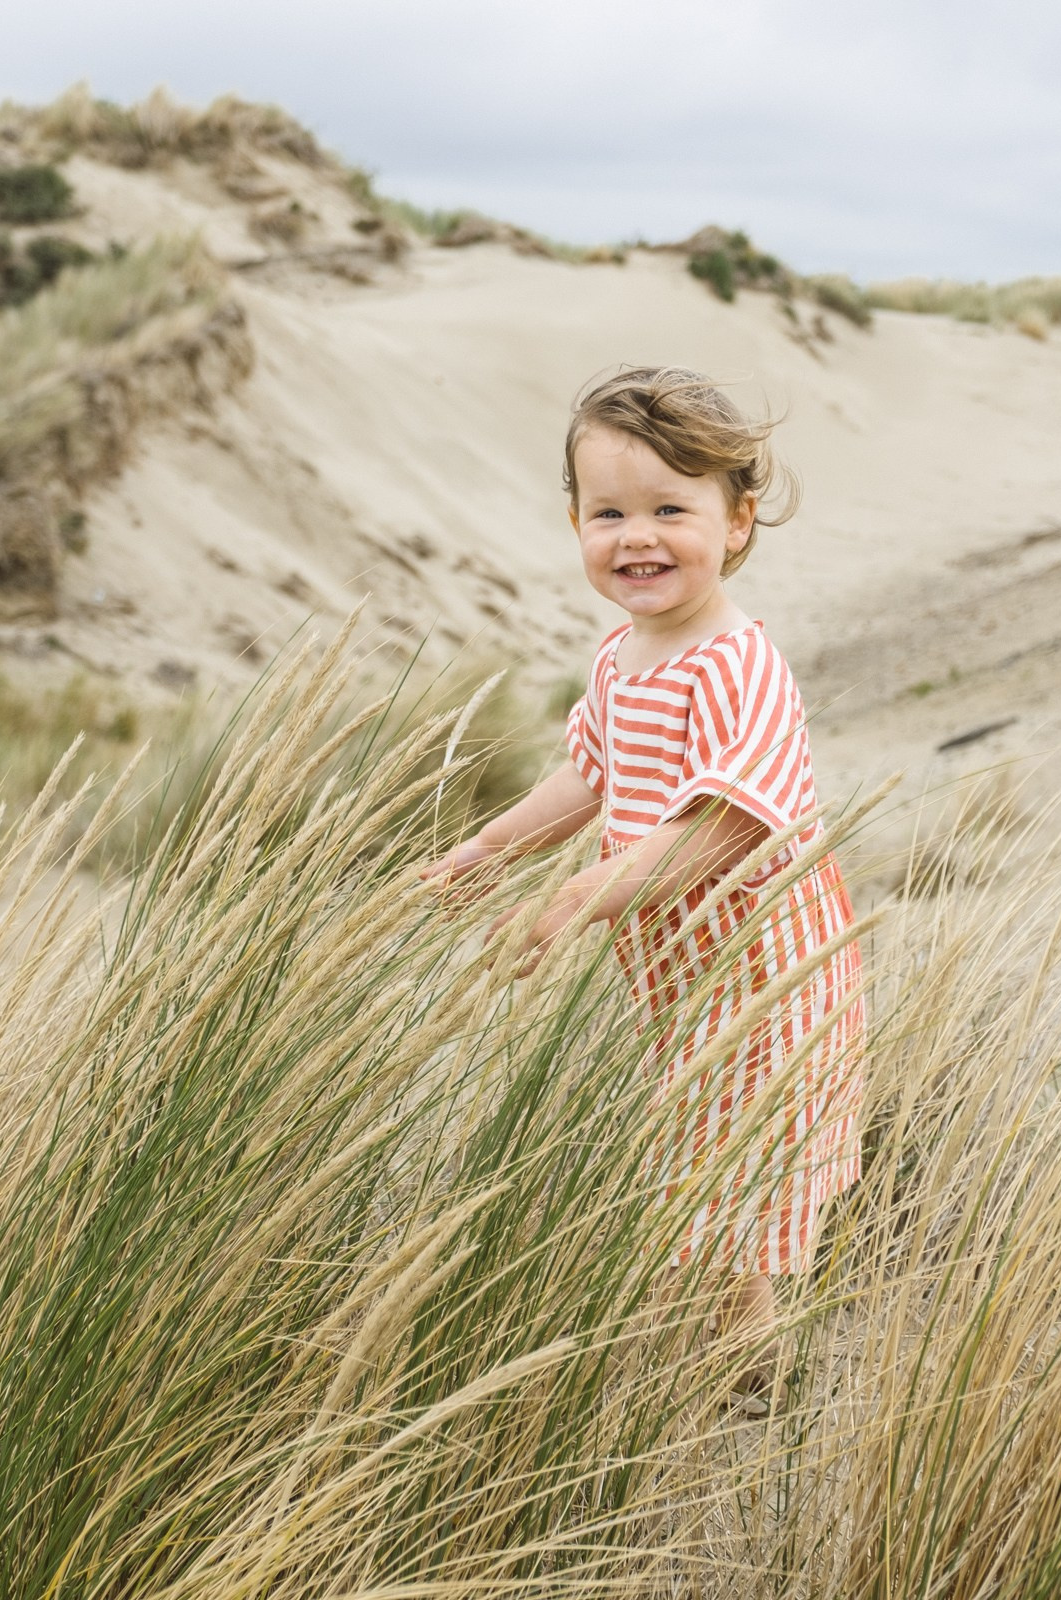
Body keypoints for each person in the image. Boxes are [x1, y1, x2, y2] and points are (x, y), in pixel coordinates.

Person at [422, 366, 865, 1413]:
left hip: (762, 964)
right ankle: (739, 1341)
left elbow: (725, 824)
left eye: (673, 508)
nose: (639, 537)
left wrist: (585, 895)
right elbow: (592, 773)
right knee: (699, 1142)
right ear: (575, 520)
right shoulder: (624, 656)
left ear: (739, 520)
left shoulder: (734, 664)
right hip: (676, 968)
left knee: (726, 1153)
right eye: (610, 511)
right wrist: (489, 850)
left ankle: (742, 1365)